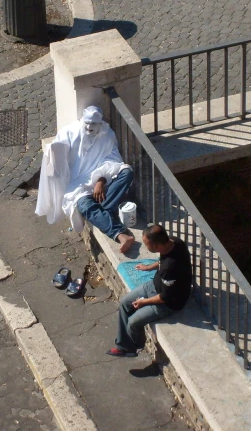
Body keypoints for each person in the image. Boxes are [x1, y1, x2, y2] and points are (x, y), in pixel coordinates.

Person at [36, 106, 136, 253]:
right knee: (84, 205)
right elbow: (58, 153)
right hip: (78, 184)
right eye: (87, 123)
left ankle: (103, 211)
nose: (89, 127)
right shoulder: (70, 132)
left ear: (100, 123)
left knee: (127, 172)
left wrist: (101, 180)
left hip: (102, 177)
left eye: (94, 124)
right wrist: (54, 153)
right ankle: (120, 234)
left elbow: (114, 159)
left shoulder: (107, 134)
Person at [106, 224, 192, 357]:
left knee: (133, 322)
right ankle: (122, 345)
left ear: (157, 246)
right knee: (124, 303)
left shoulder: (170, 267)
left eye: (147, 245)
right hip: (154, 285)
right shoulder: (173, 242)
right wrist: (148, 267)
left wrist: (144, 302)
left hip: (168, 303)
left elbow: (164, 297)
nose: (145, 246)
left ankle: (134, 347)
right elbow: (160, 261)